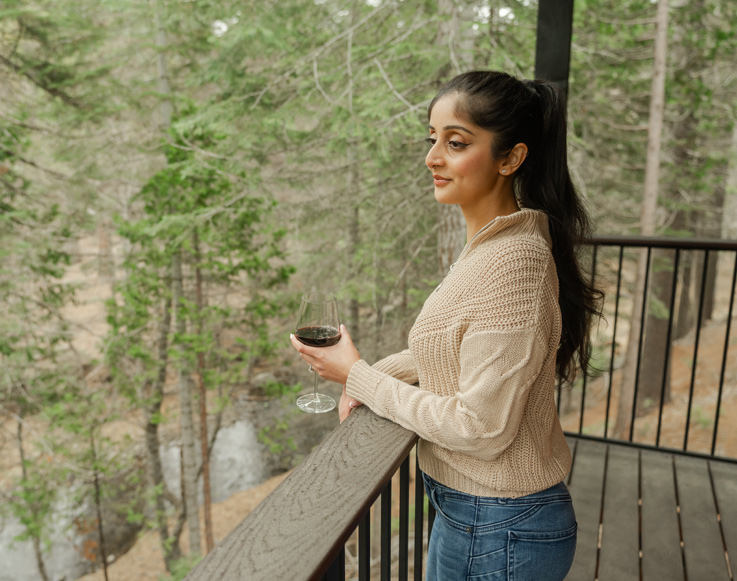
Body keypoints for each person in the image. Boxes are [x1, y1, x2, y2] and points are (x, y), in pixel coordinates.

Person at [290, 70, 602, 581]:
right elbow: (461, 350)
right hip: (477, 517)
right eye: (431, 139)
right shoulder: (494, 247)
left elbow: (482, 429)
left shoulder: (513, 264)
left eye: (455, 143)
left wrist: (361, 377)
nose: (432, 157)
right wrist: (368, 373)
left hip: (502, 527)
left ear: (510, 158)